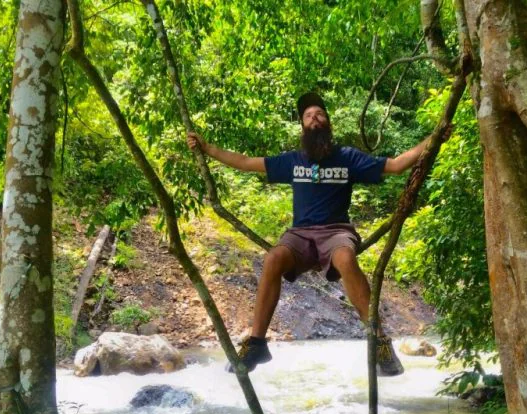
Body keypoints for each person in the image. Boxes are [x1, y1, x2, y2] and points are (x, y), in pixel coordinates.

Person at [187, 92, 450, 376]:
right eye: (308, 116)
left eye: (319, 114)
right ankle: (257, 343)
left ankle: (379, 342)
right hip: (300, 234)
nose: (314, 119)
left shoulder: (347, 157)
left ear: (328, 123)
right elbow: (246, 161)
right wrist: (207, 148)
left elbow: (397, 165)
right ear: (302, 127)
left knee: (347, 260)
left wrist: (434, 139)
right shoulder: (292, 161)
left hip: (336, 232)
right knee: (274, 258)